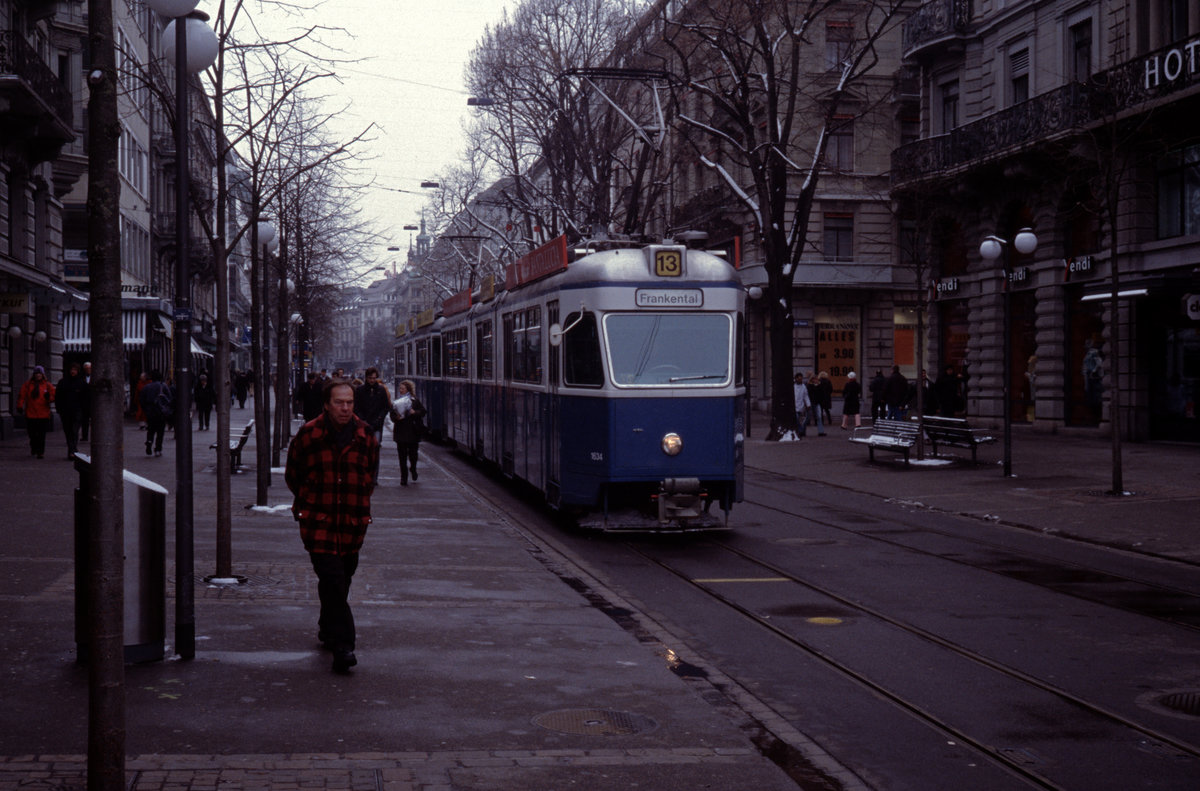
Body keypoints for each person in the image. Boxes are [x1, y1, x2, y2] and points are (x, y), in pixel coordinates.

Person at [285, 378, 380, 674]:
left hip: (352, 524)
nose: (345, 408)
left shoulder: (365, 436)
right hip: (319, 524)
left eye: (350, 402)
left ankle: (328, 627)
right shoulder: (309, 434)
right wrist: (310, 502)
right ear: (326, 404)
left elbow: (370, 478)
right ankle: (344, 646)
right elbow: (293, 475)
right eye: (339, 402)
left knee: (340, 580)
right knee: (333, 579)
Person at [390, 379, 427, 486]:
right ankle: (403, 477)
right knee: (402, 457)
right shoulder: (396, 402)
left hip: (412, 432)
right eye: (400, 388)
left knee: (413, 455)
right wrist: (395, 418)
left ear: (408, 389)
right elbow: (392, 415)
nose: (400, 390)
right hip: (401, 432)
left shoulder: (414, 400)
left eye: (402, 388)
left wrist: (415, 412)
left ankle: (413, 468)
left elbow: (423, 412)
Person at [17, 366, 55, 459]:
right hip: (31, 413)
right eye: (36, 374)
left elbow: (53, 397)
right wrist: (20, 406)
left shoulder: (47, 385)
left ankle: (40, 452)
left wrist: (48, 398)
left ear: (42, 375)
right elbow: (22, 396)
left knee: (41, 434)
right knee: (32, 434)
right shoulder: (28, 385)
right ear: (34, 375)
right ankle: (34, 446)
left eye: (40, 374)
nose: (38, 375)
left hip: (43, 414)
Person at [56, 363, 88, 458]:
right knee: (68, 431)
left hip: (77, 411)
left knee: (74, 430)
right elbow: (58, 397)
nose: (72, 371)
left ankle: (72, 450)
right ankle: (72, 449)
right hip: (65, 411)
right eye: (71, 369)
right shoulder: (63, 382)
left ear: (78, 371)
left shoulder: (82, 383)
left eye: (74, 369)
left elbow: (86, 398)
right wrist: (59, 409)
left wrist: (85, 411)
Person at [139, 369, 172, 457]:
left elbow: (141, 399)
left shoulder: (146, 387)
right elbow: (169, 398)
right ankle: (158, 449)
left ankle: (149, 441)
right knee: (160, 432)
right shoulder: (163, 386)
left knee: (151, 429)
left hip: (150, 411)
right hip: (161, 411)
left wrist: (146, 409)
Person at [353, 366, 391, 442]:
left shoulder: (381, 389)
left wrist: (379, 418)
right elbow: (356, 406)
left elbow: (386, 407)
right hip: (363, 423)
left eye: (374, 378)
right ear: (366, 378)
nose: (372, 380)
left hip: (377, 423)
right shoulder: (360, 390)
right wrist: (362, 419)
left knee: (376, 445)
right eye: (370, 378)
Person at [793, 372, 811, 437]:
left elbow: (805, 396)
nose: (800, 380)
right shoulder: (793, 387)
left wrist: (808, 404)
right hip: (795, 406)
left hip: (801, 406)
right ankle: (801, 430)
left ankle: (802, 431)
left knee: (803, 420)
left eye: (801, 379)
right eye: (799, 379)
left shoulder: (803, 387)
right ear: (796, 379)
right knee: (797, 419)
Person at [79, 361, 93, 442]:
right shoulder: (82, 378)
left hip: (93, 402)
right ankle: (85, 436)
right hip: (84, 402)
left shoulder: (95, 377)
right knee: (85, 420)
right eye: (87, 369)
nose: (88, 370)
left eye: (89, 368)